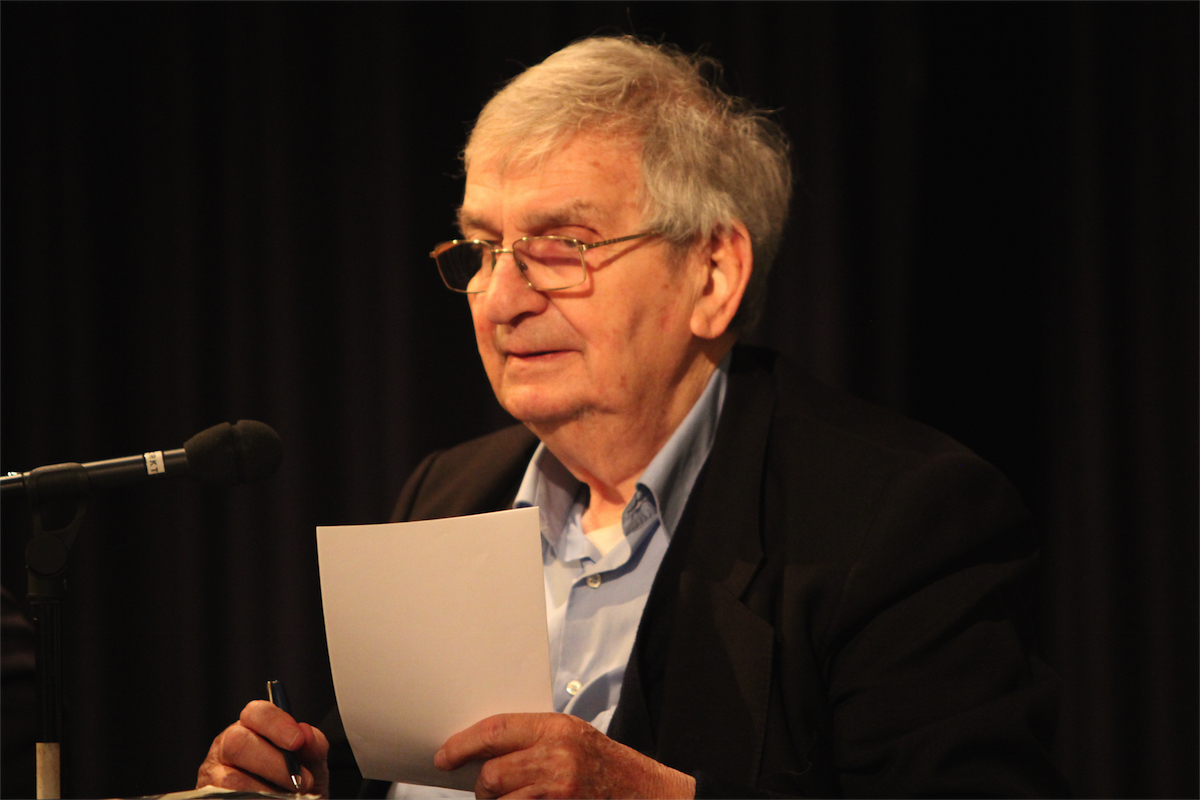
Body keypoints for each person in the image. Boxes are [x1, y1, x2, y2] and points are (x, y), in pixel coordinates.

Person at [197, 36, 1068, 799]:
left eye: (561, 246)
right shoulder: (448, 495)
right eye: (483, 248)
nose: (500, 299)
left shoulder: (897, 520)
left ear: (713, 274)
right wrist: (297, 787)